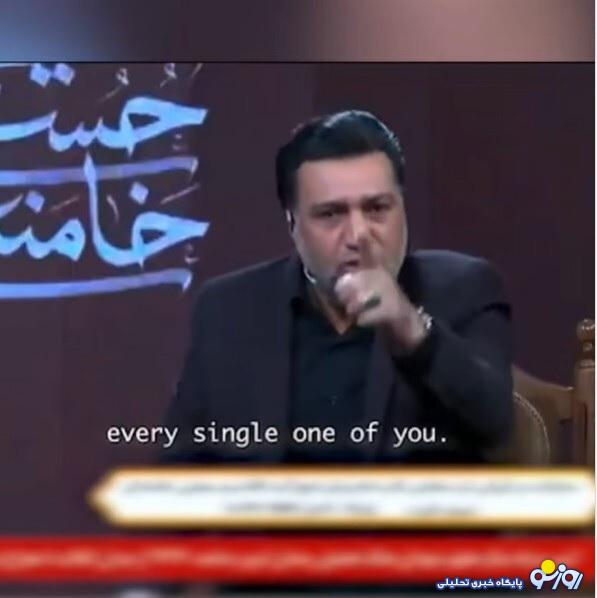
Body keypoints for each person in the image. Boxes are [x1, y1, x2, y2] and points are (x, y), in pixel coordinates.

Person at [162, 109, 513, 465]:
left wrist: (412, 330)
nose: (358, 235)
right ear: (292, 224)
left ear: (402, 209)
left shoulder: (461, 289)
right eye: (331, 214)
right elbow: (177, 467)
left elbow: (496, 422)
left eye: (376, 208)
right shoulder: (229, 310)